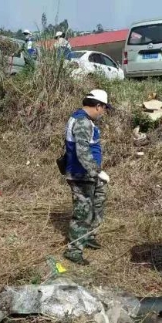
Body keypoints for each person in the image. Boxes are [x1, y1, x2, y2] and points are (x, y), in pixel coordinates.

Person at [62, 90, 111, 265]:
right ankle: (74, 250)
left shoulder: (83, 119)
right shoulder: (82, 122)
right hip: (81, 174)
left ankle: (88, 236)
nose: (104, 112)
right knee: (82, 212)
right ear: (98, 106)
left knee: (98, 201)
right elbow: (82, 152)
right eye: (104, 108)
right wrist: (97, 172)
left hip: (89, 173)